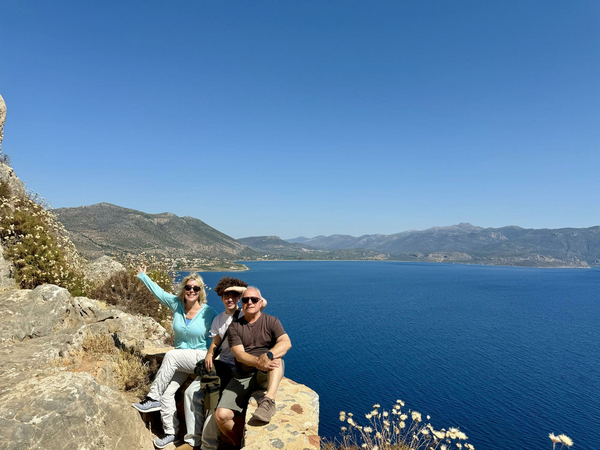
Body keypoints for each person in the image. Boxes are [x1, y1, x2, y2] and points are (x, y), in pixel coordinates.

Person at [132, 267, 217, 449]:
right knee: (168, 392)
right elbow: (159, 293)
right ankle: (171, 433)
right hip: (181, 359)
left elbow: (222, 332)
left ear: (201, 291)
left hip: (199, 357)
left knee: (170, 355)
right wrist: (143, 276)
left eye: (196, 288)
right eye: (188, 287)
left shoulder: (209, 312)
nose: (192, 291)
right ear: (184, 290)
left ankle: (151, 397)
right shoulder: (177, 305)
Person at [215, 286, 291, 449]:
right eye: (245, 299)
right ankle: (238, 443)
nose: (250, 302)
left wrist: (268, 356)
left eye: (254, 299)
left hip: (267, 372)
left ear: (260, 302)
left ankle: (269, 400)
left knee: (277, 358)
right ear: (241, 303)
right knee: (221, 415)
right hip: (242, 375)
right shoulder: (235, 327)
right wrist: (258, 361)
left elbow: (286, 343)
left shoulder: (272, 321)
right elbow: (239, 354)